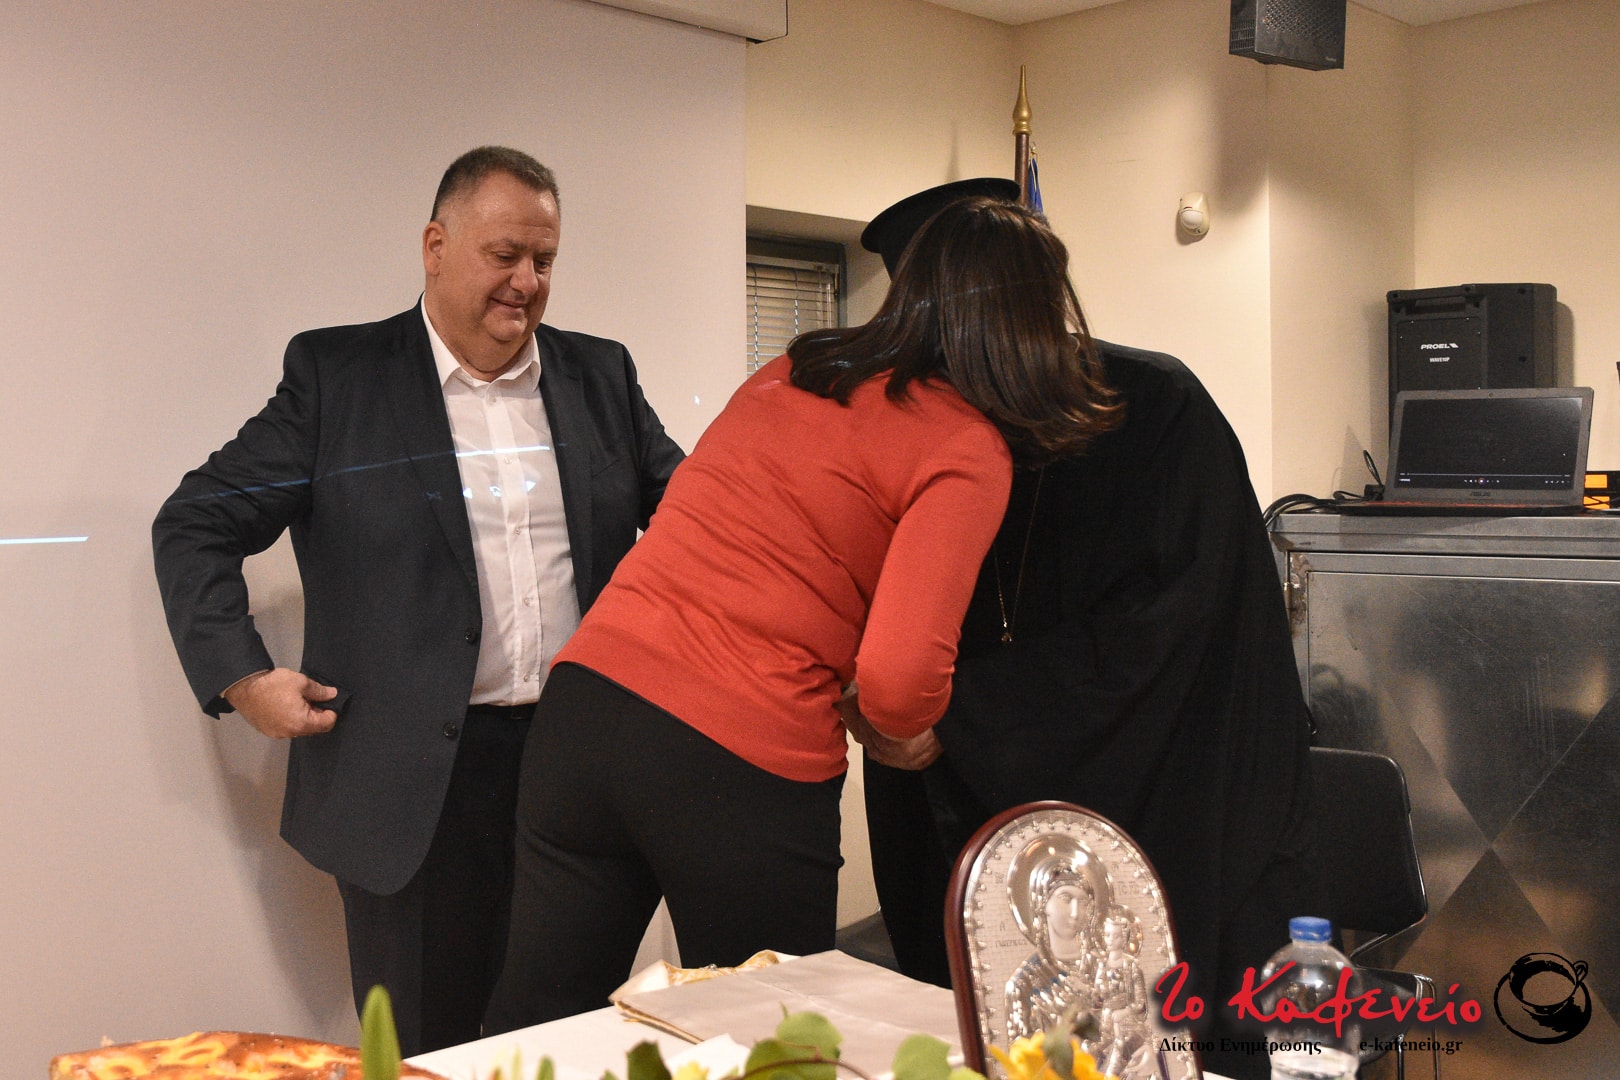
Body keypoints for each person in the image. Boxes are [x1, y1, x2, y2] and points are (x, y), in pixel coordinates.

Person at [482, 195, 1121, 1032]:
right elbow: (899, 681)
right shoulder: (967, 445)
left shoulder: (795, 369)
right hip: (738, 756)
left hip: (587, 708)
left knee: (540, 1022)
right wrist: (906, 723)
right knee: (769, 1038)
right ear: (1030, 320)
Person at [152, 146, 684, 1055]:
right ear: (436, 246)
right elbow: (194, 522)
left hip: (573, 767)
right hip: (412, 787)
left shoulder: (601, 376)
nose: (527, 282)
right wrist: (243, 677)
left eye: (545, 260)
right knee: (425, 1052)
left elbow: (695, 523)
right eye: (505, 254)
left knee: (564, 1041)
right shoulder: (340, 378)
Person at [853, 180, 1324, 1080]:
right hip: (995, 817)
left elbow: (1164, 633)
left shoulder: (1155, 406)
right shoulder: (937, 429)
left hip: (1179, 801)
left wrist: (964, 715)